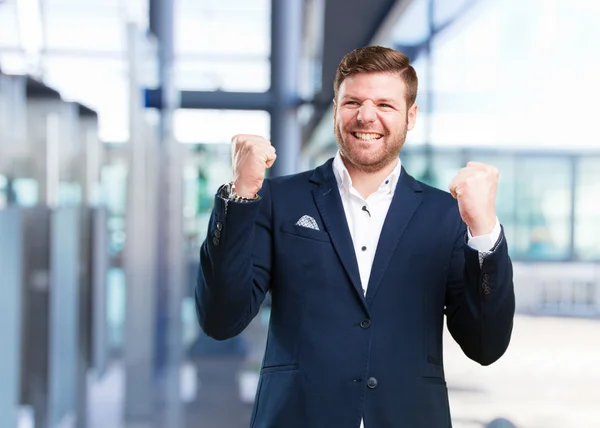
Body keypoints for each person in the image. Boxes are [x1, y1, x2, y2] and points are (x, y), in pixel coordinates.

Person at [196, 46, 515, 428]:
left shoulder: (445, 214)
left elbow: (486, 345)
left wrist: (484, 231)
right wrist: (242, 194)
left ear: (410, 116)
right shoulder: (279, 199)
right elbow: (220, 319)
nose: (366, 116)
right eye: (352, 101)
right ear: (335, 108)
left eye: (385, 104)